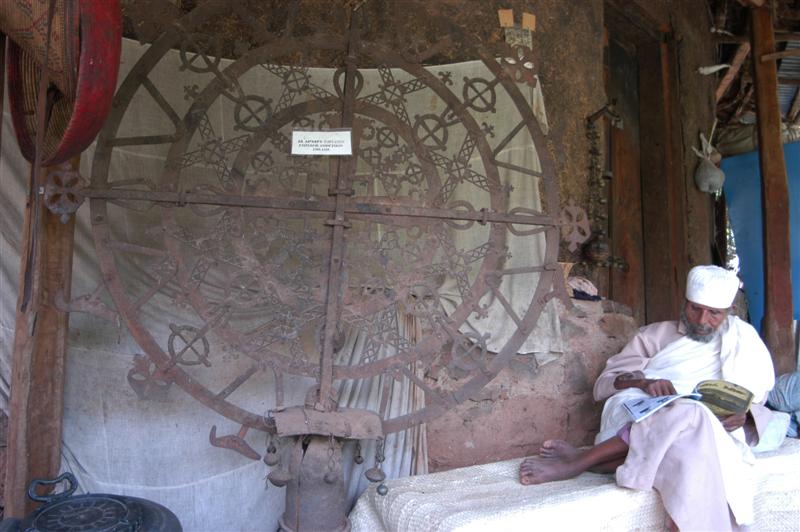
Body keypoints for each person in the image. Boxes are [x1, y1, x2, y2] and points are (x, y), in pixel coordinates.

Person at [519, 265, 776, 531]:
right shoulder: (656, 335)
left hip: (704, 429)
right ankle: (585, 461)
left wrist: (743, 417)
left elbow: (756, 401)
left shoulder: (743, 342)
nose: (701, 320)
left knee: (693, 421)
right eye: (695, 309)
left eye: (714, 313)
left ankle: (589, 460)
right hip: (637, 411)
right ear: (684, 303)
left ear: (730, 312)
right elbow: (606, 384)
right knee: (689, 416)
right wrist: (644, 382)